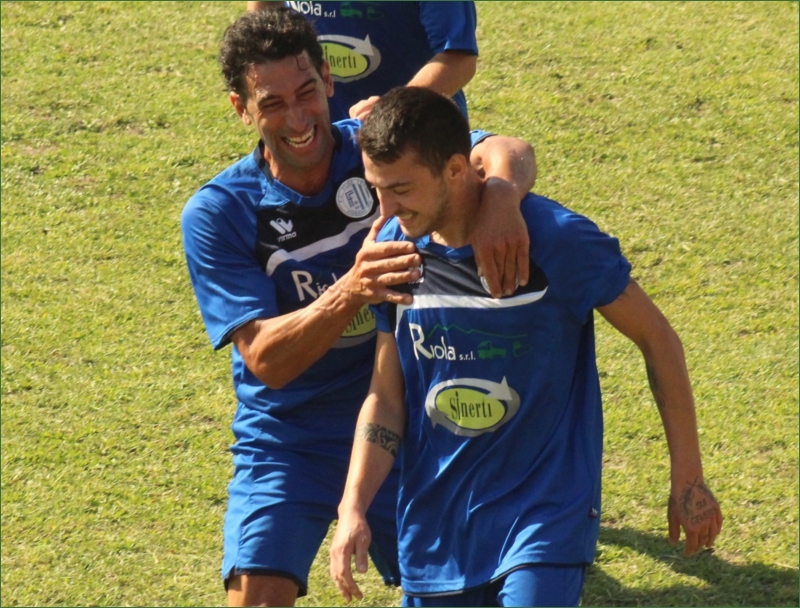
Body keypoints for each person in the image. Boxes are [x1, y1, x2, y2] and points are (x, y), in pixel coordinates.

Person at [181, 9, 535, 606]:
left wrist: (501, 194)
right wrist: (351, 289)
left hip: (409, 423)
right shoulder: (219, 213)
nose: (298, 119)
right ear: (241, 109)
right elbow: (266, 360)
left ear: (328, 78)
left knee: (481, 588)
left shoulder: (376, 150)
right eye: (272, 104)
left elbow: (508, 148)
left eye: (306, 92)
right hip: (290, 438)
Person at [329, 87, 724, 607]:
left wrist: (688, 477)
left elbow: (659, 339)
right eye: (377, 189)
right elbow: (387, 395)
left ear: (455, 169)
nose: (386, 208)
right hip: (436, 528)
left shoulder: (556, 240)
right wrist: (353, 506)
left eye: (401, 188)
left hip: (544, 515)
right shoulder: (391, 252)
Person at [247, 1, 478, 121]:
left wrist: (395, 108)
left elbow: (458, 58)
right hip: (317, 139)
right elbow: (264, 16)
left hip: (415, 134)